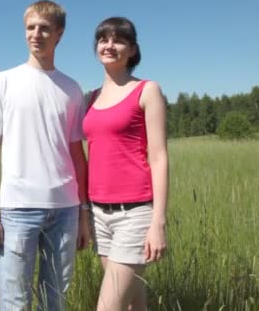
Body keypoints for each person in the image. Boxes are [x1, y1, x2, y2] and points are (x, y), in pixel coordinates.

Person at [0, 0, 90, 310]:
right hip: (18, 210)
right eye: (30, 27)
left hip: (65, 209)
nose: (36, 34)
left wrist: (83, 215)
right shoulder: (2, 82)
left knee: (55, 300)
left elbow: (77, 155)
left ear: (59, 34)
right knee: (15, 300)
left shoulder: (72, 89)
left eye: (44, 28)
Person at [82, 17, 168, 311]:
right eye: (103, 39)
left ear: (132, 49)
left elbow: (158, 157)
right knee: (133, 304)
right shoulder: (90, 98)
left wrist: (158, 222)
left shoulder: (147, 90)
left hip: (134, 215)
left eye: (118, 40)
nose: (109, 45)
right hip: (98, 215)